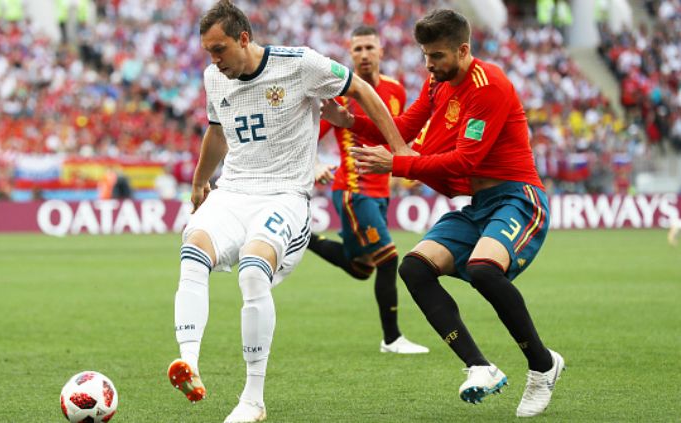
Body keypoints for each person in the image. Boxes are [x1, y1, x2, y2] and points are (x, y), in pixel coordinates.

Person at [167, 2, 412, 422]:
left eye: (220, 49)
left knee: (252, 268)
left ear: (244, 38)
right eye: (208, 51)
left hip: (284, 195)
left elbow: (362, 91)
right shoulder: (214, 77)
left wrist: (402, 150)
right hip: (233, 191)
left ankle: (252, 398)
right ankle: (188, 361)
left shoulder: (300, 64)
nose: (214, 60)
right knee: (193, 248)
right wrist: (198, 181)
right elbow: (217, 131)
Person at [322, 9, 565, 418]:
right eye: (425, 56)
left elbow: (463, 164)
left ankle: (543, 366)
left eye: (435, 56)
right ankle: (479, 367)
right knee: (414, 268)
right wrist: (353, 122)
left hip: (518, 199)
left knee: (486, 269)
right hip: (479, 207)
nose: (429, 65)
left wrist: (395, 165)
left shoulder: (489, 87)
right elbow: (403, 127)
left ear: (463, 50)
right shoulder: (438, 82)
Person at [310, 26, 428, 355]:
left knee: (362, 267)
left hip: (381, 192)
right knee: (389, 259)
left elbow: (399, 136)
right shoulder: (342, 96)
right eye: (357, 49)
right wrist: (314, 164)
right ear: (350, 54)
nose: (363, 54)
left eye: (369, 48)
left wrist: (410, 167)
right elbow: (309, 138)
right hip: (352, 189)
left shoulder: (395, 90)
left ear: (381, 52)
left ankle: (303, 238)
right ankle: (392, 339)